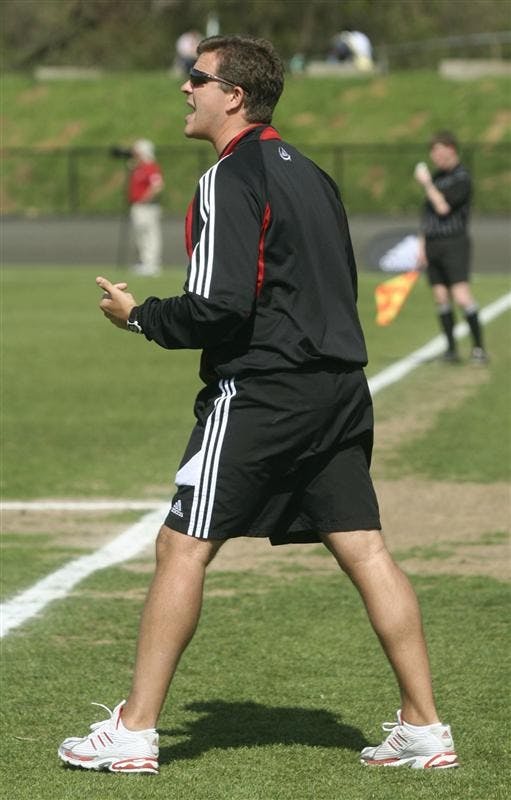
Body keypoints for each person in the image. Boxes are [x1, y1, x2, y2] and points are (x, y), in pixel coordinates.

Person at [58, 35, 459, 775]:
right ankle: (424, 727)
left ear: (232, 94)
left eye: (196, 78)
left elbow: (219, 305)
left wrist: (140, 316)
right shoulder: (310, 172)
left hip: (266, 390)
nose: (184, 89)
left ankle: (135, 731)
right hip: (337, 386)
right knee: (365, 547)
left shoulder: (227, 177)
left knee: (181, 545)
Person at [414, 131, 488, 363]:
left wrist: (426, 184)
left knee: (461, 295)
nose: (435, 157)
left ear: (451, 150)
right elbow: (428, 217)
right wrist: (422, 245)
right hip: (434, 243)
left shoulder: (462, 177)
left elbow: (443, 208)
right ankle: (451, 349)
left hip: (454, 242)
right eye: (432, 152)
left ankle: (478, 348)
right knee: (440, 297)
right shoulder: (437, 177)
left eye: (438, 151)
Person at [128, 139, 164, 276]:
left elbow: (157, 186)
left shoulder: (150, 167)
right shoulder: (138, 167)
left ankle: (152, 263)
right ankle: (144, 261)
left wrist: (145, 198)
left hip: (148, 207)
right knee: (140, 235)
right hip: (138, 206)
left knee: (150, 234)